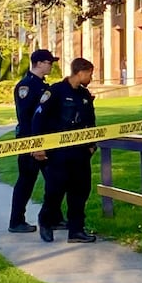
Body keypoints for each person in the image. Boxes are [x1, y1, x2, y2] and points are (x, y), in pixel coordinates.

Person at [31, 57, 98, 243]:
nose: (91, 78)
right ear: (81, 72)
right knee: (55, 191)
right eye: (90, 74)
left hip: (80, 152)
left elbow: (90, 122)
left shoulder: (84, 95)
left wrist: (92, 145)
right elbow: (38, 118)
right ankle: (46, 221)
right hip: (59, 152)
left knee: (80, 192)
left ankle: (76, 230)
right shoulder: (55, 92)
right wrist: (38, 146)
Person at [8, 49, 65, 233]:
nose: (51, 66)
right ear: (39, 63)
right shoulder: (26, 86)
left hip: (46, 140)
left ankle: (54, 218)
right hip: (30, 141)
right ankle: (16, 221)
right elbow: (26, 117)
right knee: (26, 181)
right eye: (49, 62)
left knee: (55, 180)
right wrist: (34, 143)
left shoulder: (42, 85)